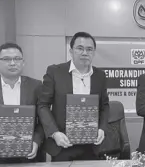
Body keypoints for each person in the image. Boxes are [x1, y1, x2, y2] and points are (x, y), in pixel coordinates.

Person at [37, 32, 109, 161]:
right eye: (80, 48)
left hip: (92, 146)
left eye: (89, 49)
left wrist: (102, 128)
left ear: (94, 52)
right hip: (63, 144)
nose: (85, 53)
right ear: (71, 51)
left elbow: (104, 106)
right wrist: (54, 133)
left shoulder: (100, 76)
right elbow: (43, 105)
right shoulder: (55, 72)